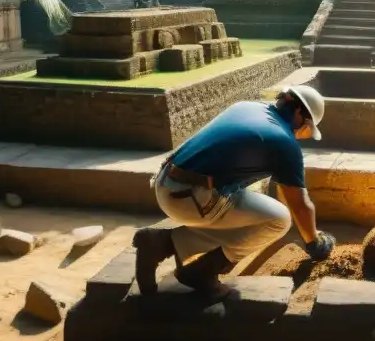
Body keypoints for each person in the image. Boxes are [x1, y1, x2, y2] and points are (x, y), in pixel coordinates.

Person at [132, 86, 337, 301]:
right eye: (307, 128)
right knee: (279, 220)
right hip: (191, 198)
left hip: (167, 183)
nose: (304, 135)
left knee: (250, 200)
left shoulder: (248, 107)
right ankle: (201, 272)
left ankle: (160, 243)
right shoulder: (284, 141)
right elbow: (300, 204)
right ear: (299, 114)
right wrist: (314, 242)